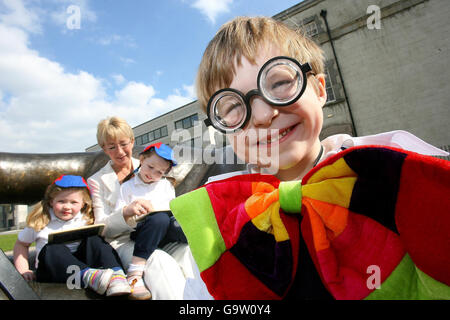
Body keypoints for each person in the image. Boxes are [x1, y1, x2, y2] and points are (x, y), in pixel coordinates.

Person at [169, 16, 450, 299]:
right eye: (231, 106)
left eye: (278, 83)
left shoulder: (394, 175)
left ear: (319, 89)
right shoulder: (216, 224)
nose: (265, 115)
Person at [87, 116, 211, 300]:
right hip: (126, 240)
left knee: (189, 254)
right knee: (160, 262)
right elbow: (102, 228)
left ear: (132, 141)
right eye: (111, 147)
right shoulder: (97, 181)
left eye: (123, 144)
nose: (120, 152)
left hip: (161, 231)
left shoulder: (154, 162)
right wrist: (126, 212)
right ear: (103, 148)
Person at [13, 175, 131, 297]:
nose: (67, 207)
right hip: (53, 270)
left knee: (94, 239)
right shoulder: (40, 221)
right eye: (61, 201)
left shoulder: (86, 219)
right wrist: (23, 270)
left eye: (73, 202)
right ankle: (88, 276)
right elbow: (21, 244)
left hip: (85, 265)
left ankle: (117, 275)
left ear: (83, 204)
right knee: (52, 248)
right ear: (51, 201)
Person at [116, 142, 187, 300]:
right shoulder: (127, 187)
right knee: (159, 219)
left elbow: (171, 207)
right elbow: (120, 214)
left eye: (159, 172)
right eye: (150, 167)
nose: (152, 174)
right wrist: (131, 210)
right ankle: (135, 270)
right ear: (141, 159)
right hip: (142, 229)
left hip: (164, 229)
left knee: (178, 224)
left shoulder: (166, 185)